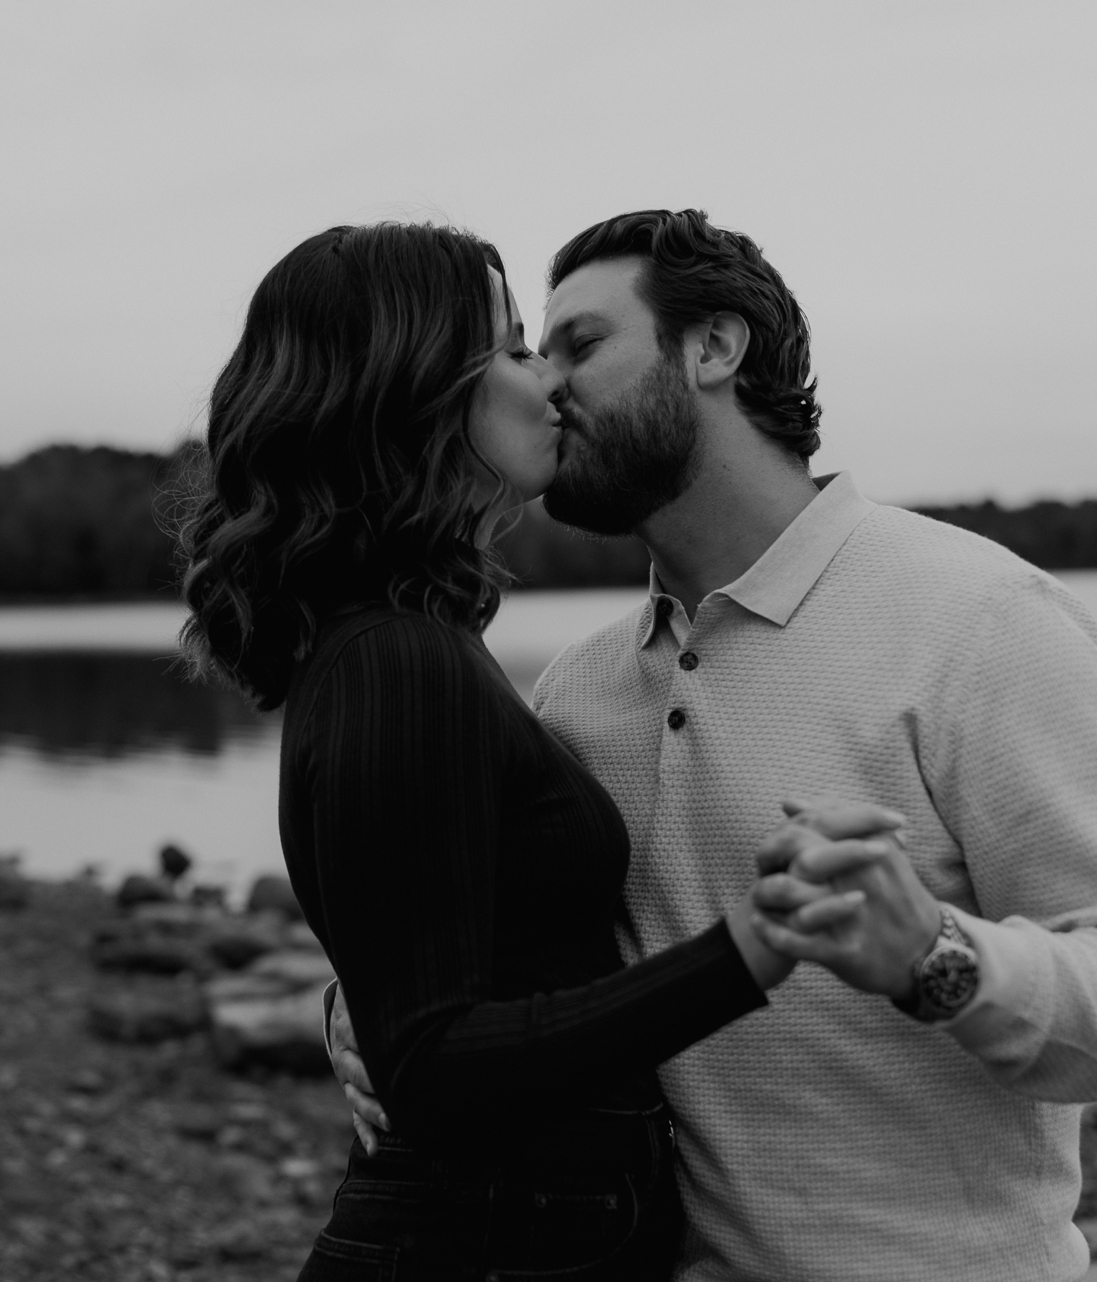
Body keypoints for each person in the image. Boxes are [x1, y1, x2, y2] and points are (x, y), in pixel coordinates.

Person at [329, 208, 1097, 1280]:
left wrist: (937, 959)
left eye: (580, 345)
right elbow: (483, 941)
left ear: (714, 348)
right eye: (531, 351)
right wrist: (362, 1001)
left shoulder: (977, 619)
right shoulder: (577, 688)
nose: (546, 385)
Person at [175, 222, 878, 1280]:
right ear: (413, 383)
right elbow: (434, 1064)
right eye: (512, 348)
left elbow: (432, 957)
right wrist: (751, 948)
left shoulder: (408, 645)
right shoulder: (394, 661)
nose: (547, 380)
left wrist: (352, 1002)